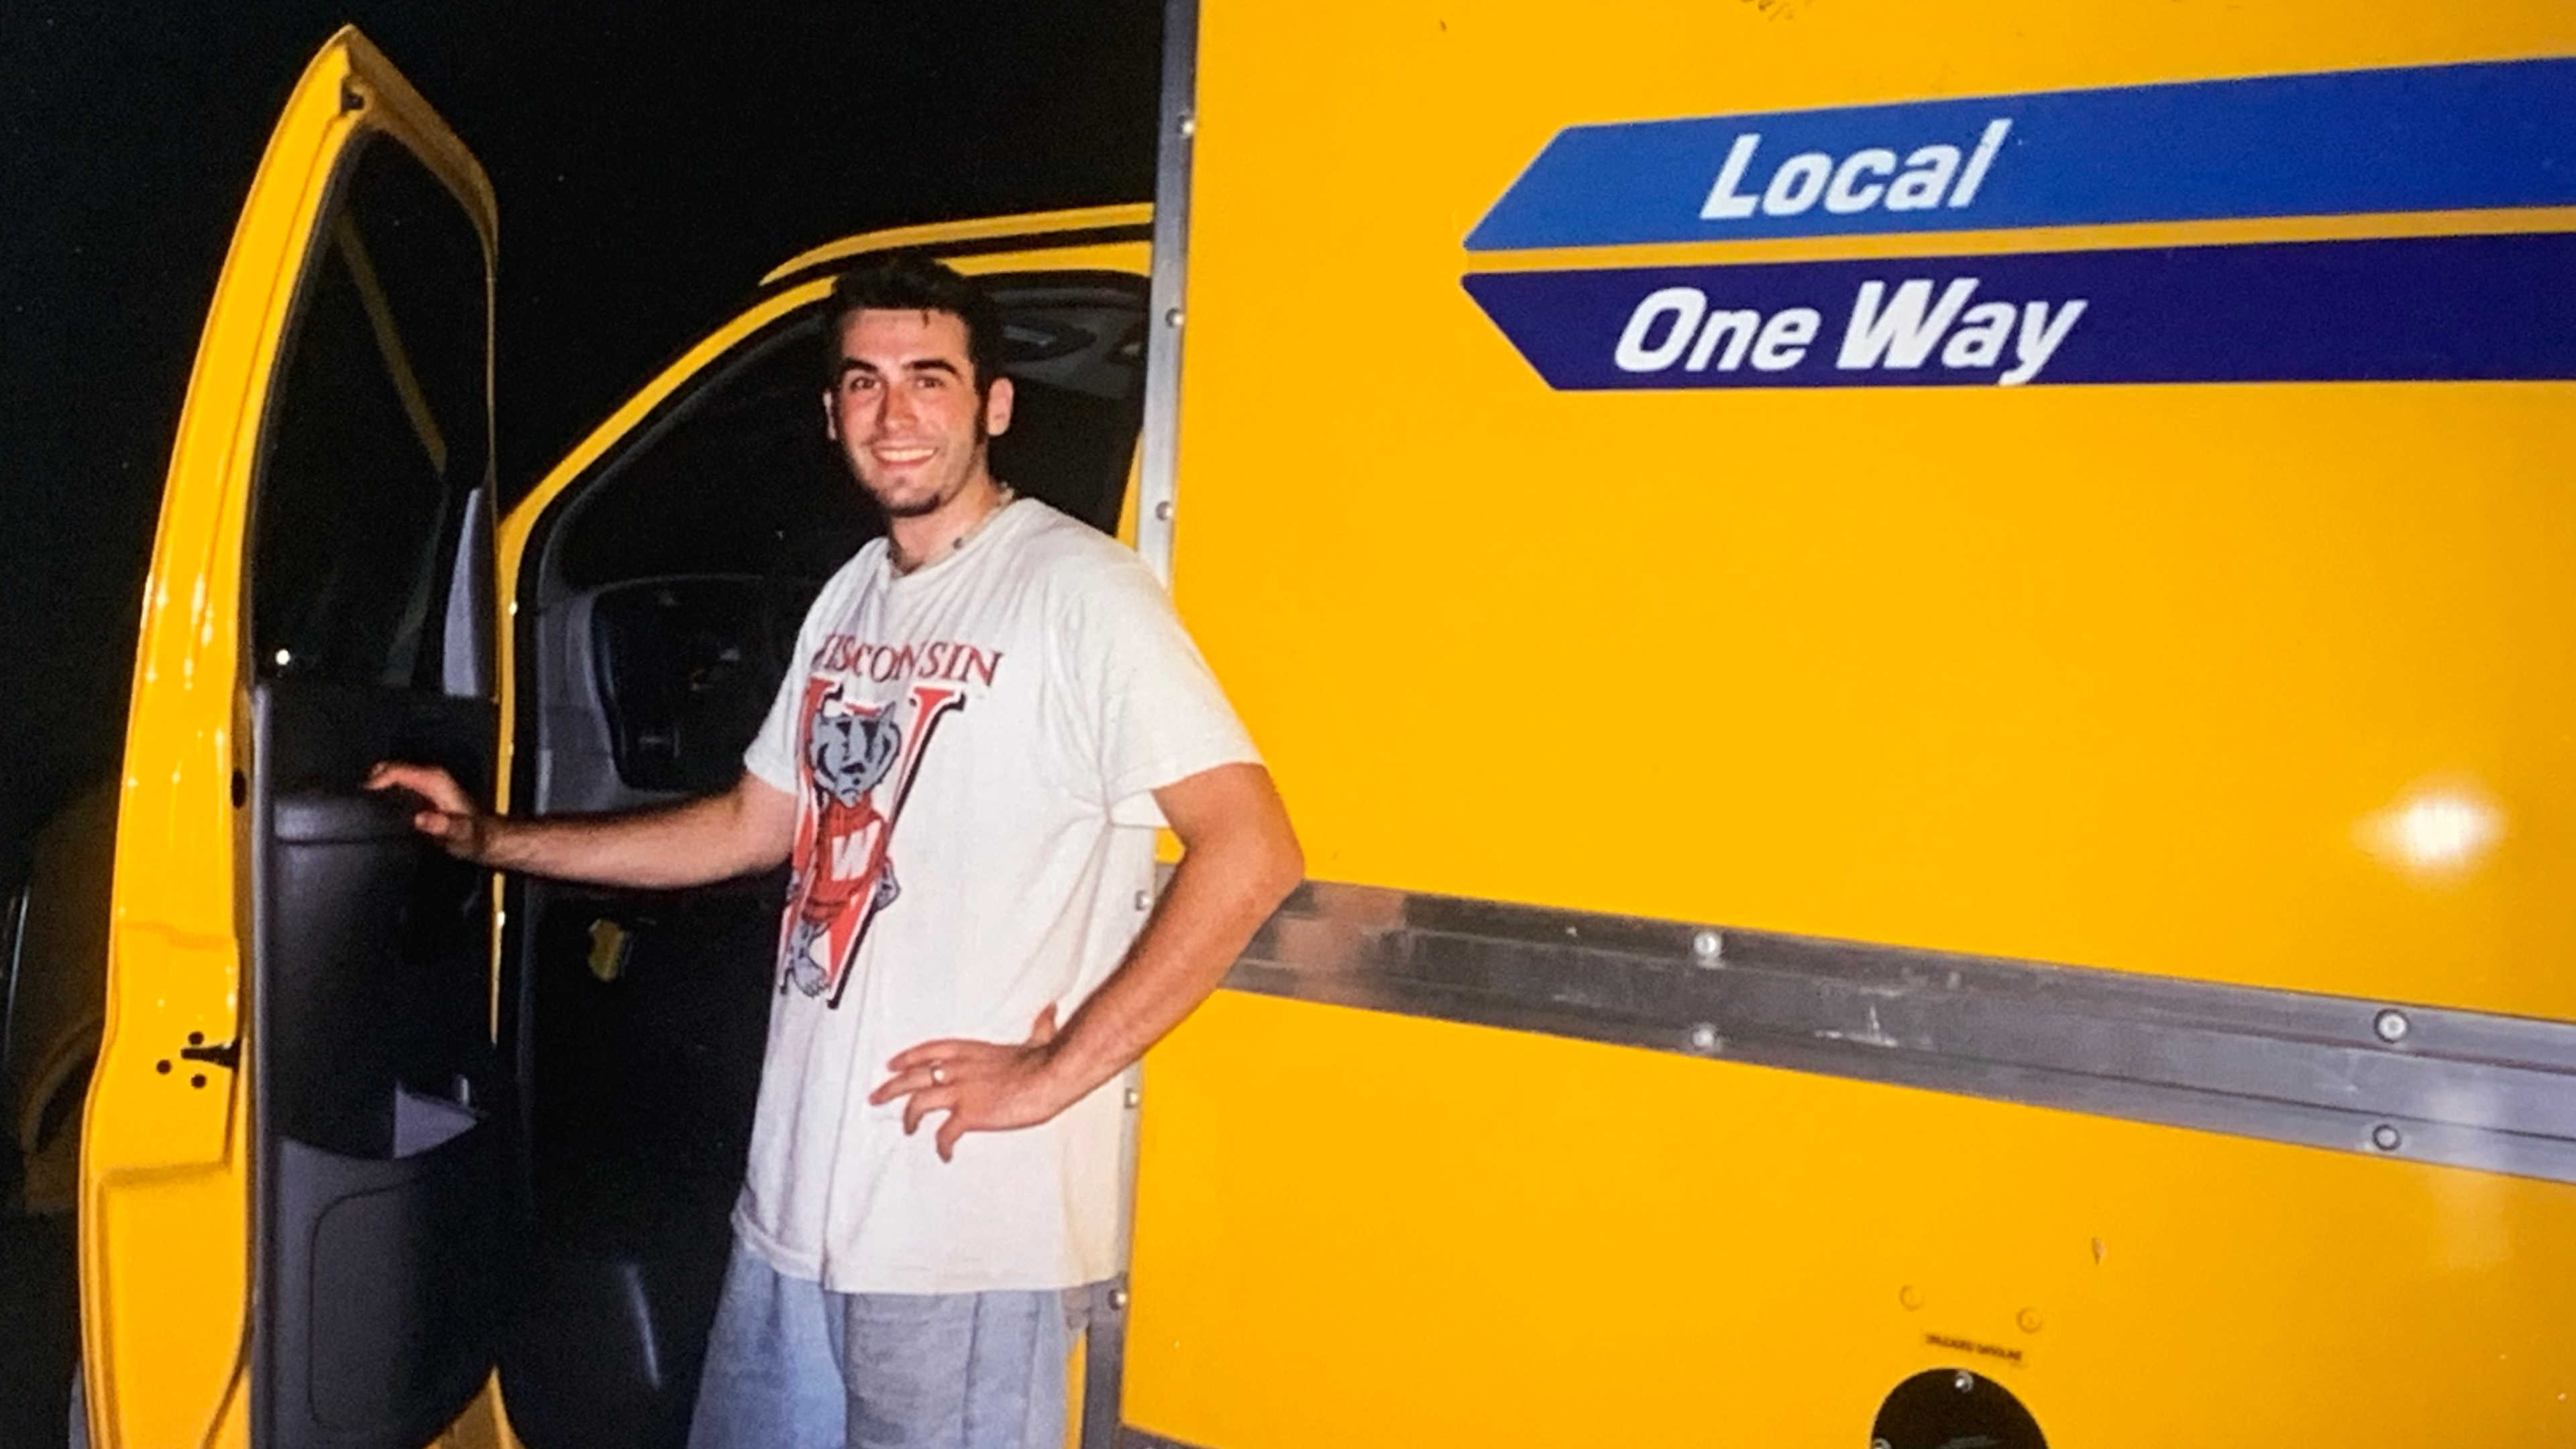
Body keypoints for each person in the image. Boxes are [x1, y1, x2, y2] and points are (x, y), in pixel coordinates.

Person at [370, 252, 1303, 1449]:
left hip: (960, 1229)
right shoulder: (856, 592)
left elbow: (1251, 847)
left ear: (994, 405)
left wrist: (1054, 1068)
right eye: (864, 383)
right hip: (798, 1208)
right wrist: (492, 839)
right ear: (832, 414)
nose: (895, 414)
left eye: (930, 378)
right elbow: (754, 826)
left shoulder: (1080, 591)